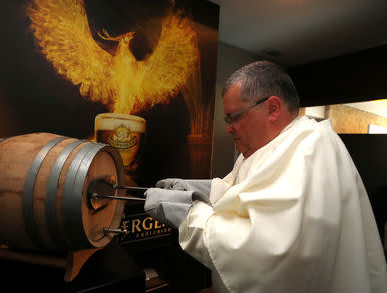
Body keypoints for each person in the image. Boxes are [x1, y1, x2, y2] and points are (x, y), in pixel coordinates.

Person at [144, 61, 387, 292]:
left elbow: (268, 251)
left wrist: (189, 214)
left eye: (233, 117)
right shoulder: (265, 147)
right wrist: (194, 189)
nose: (228, 128)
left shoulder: (312, 147)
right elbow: (241, 192)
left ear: (272, 108)